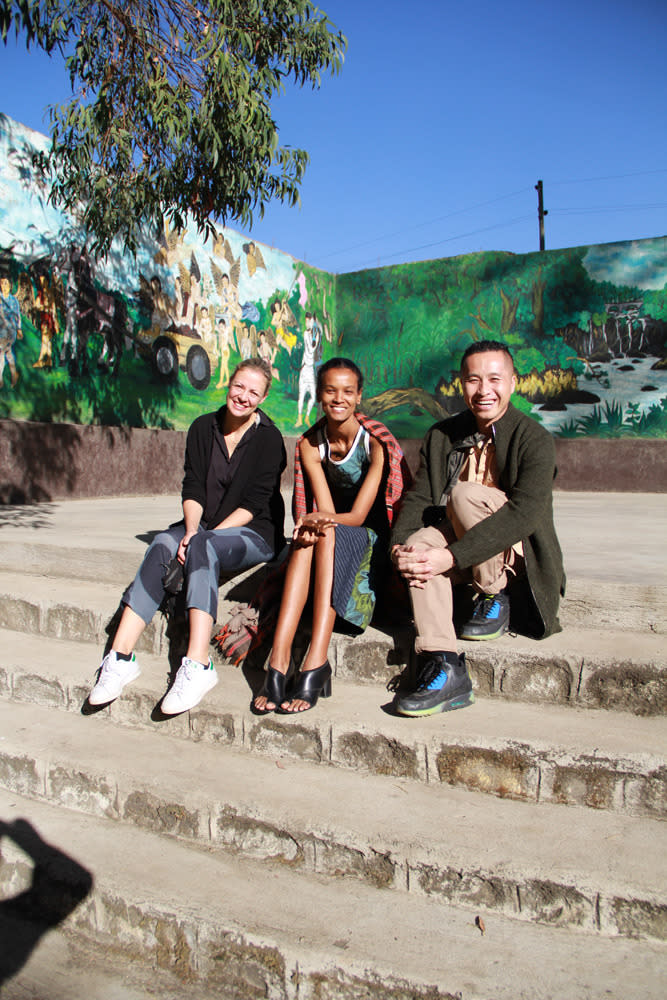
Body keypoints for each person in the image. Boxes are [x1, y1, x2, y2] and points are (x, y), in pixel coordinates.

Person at [88, 358, 286, 714]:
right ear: (230, 382)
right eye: (239, 386)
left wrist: (200, 539)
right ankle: (119, 657)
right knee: (164, 542)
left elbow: (255, 506)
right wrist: (192, 530)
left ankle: (198, 665)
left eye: (253, 392)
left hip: (254, 532)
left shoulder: (269, 440)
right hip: (206, 525)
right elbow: (193, 486)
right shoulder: (201, 428)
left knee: (204, 546)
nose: (243, 396)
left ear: (263, 397)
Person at [390, 339, 565, 718]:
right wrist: (400, 547)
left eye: (494, 379)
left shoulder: (535, 439)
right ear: (462, 384)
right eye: (473, 380)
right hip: (462, 546)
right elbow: (419, 499)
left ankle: (494, 594)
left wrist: (450, 558)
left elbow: (524, 515)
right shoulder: (442, 436)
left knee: (464, 495)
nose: (484, 391)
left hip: (514, 556)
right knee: (420, 547)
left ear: (514, 383)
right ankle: (445, 663)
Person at [253, 357, 409, 715]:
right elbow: (322, 506)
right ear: (320, 396)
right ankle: (279, 661)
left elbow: (356, 516)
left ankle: (315, 658)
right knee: (311, 535)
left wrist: (320, 521)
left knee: (320, 531)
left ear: (358, 397)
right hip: (334, 533)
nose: (339, 398)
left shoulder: (374, 444)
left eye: (348, 392)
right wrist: (314, 522)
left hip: (369, 538)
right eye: (330, 391)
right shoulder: (311, 444)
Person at [0, 275, 22, 388]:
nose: (4, 286)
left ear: (10, 285)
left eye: (6, 284)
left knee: (2, 351)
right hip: (1, 329)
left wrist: (19, 329)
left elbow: (18, 315)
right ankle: (14, 374)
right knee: (7, 352)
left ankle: (0, 379)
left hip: (10, 330)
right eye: (2, 283)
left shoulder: (14, 301)